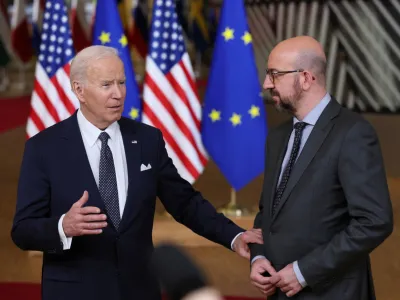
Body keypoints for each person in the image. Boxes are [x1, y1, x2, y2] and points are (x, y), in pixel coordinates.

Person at [11, 45, 262, 300]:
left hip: (139, 290)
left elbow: (185, 202)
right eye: (106, 85)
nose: (118, 94)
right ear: (79, 90)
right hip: (74, 291)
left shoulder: (146, 140)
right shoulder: (44, 148)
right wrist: (62, 226)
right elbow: (22, 230)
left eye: (122, 82)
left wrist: (234, 235)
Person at [249, 36, 393, 300]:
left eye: (275, 74)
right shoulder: (277, 137)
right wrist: (258, 257)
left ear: (305, 78)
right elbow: (267, 214)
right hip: (280, 292)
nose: (267, 83)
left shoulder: (354, 133)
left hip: (334, 292)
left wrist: (304, 271)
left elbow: (374, 222)